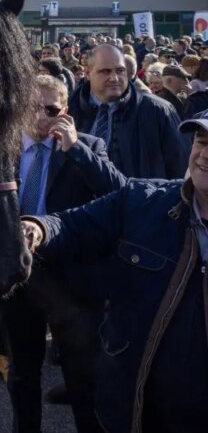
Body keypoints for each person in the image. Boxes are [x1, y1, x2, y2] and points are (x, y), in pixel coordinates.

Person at [21, 114, 208, 433]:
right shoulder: (145, 200)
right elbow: (72, 224)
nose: (203, 154)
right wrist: (37, 227)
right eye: (201, 142)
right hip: (141, 402)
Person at [0, 76, 126, 433]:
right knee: (23, 373)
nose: (40, 116)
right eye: (32, 107)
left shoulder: (87, 145)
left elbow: (117, 193)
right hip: (19, 278)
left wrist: (76, 150)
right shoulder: (0, 149)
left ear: (65, 112)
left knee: (82, 375)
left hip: (73, 280)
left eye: (51, 109)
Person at [68, 44, 185, 179]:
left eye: (120, 71)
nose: (114, 78)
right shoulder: (69, 108)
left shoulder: (157, 110)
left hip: (139, 198)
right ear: (88, 73)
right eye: (105, 71)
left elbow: (179, 168)